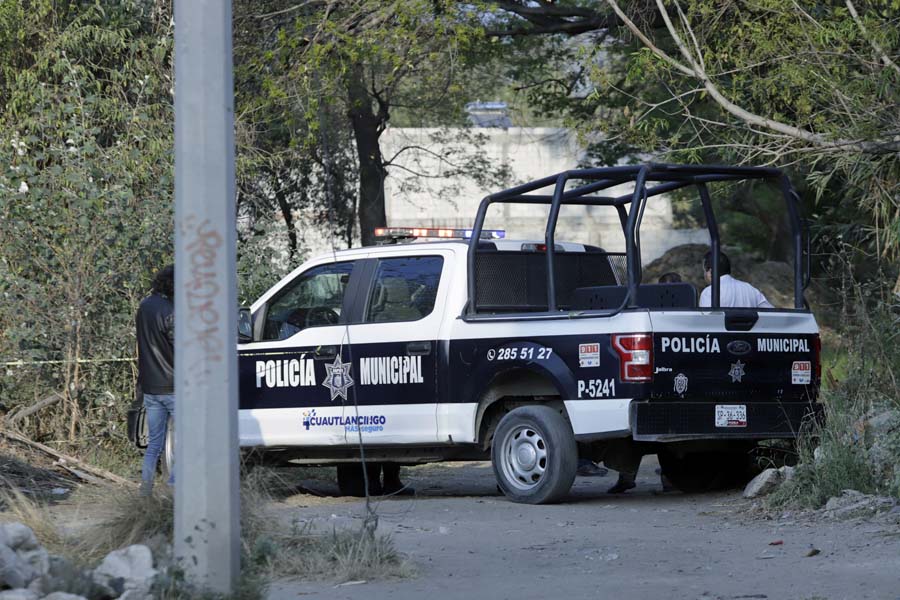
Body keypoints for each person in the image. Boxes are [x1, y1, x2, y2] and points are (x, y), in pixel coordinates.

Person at [136, 265, 175, 496]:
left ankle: (145, 491)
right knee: (186, 443)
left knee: (154, 445)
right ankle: (174, 488)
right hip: (173, 386)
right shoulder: (171, 310)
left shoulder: (144, 307)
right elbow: (180, 346)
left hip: (150, 386)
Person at [699, 251, 773, 308]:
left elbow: (706, 323)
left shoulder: (709, 292)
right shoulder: (750, 289)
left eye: (704, 271)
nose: (704, 275)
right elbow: (771, 313)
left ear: (711, 272)